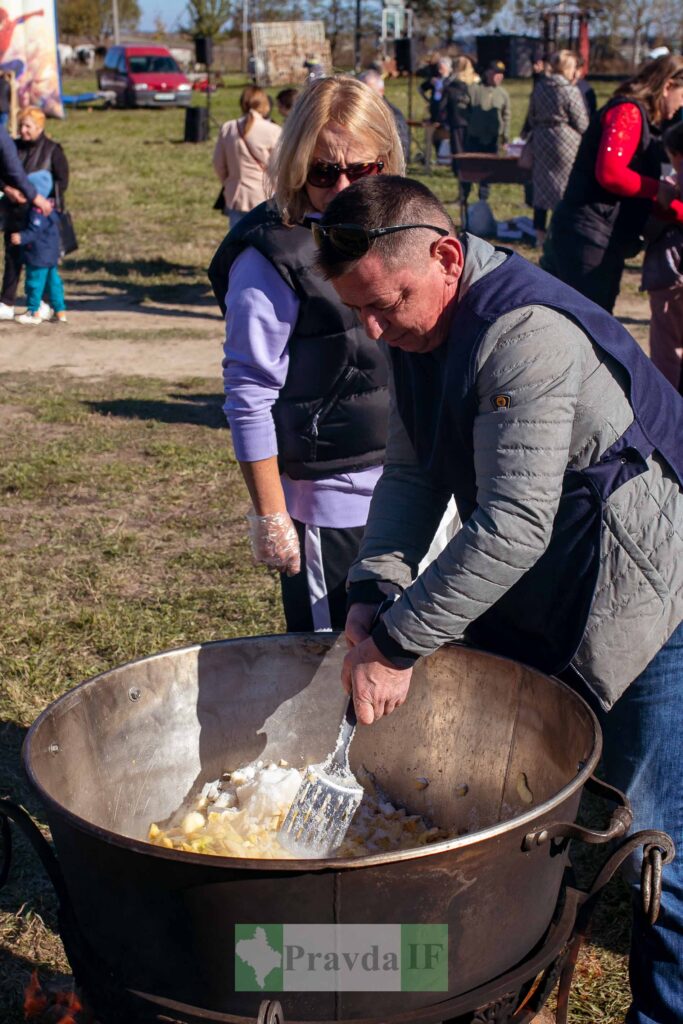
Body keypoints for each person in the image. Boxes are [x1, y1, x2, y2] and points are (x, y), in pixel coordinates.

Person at [315, 173, 683, 1024]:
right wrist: (374, 591)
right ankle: (493, 977)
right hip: (541, 571)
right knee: (520, 794)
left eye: (386, 303)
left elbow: (512, 524)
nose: (372, 328)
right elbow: (410, 472)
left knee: (657, 830)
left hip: (645, 583)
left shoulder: (524, 333)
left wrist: (400, 646)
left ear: (446, 256)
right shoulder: (414, 329)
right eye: (357, 311)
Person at [208, 76, 404, 632]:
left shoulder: (404, 228)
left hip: (416, 492)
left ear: (386, 160)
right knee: (330, 671)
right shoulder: (270, 259)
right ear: (297, 166)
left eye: (361, 169)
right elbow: (248, 395)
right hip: (332, 507)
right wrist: (272, 515)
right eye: (323, 171)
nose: (342, 187)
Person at [542, 54, 683, 312]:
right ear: (667, 86)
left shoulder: (642, 120)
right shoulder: (627, 112)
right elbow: (610, 173)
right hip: (587, 235)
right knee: (586, 322)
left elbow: (633, 189)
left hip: (599, 233)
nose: (679, 107)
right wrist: (657, 188)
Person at [0, 106, 69, 321]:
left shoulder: (52, 150)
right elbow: (4, 172)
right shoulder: (12, 146)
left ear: (40, 127)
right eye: (21, 125)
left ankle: (43, 302)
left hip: (41, 216)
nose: (23, 130)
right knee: (12, 256)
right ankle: (7, 302)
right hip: (15, 210)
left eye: (28, 126)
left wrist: (43, 202)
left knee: (39, 260)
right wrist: (8, 190)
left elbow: (62, 181)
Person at [526, 50, 589, 244]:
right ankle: (561, 231)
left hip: (542, 139)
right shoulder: (569, 90)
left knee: (542, 185)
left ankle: (539, 234)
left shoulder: (540, 87)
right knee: (564, 187)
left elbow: (531, 115)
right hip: (565, 141)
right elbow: (582, 122)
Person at [641, 120, 683, 392]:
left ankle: (666, 406)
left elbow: (651, 225)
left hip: (669, 271)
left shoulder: (670, 184)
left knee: (667, 349)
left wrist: (668, 206)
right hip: (669, 274)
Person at [213, 86, 281, 231]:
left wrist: (229, 181)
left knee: (237, 244)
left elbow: (218, 163)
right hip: (265, 195)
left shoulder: (228, 128)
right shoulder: (273, 130)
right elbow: (281, 168)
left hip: (236, 194)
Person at [10, 169, 66, 325]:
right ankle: (60, 312)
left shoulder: (37, 211)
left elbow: (35, 230)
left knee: (34, 282)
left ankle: (33, 312)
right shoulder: (52, 208)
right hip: (51, 255)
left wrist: (22, 237)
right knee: (54, 283)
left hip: (38, 254)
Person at [462, 60, 511, 202]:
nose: (499, 77)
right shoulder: (474, 89)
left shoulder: (503, 94)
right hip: (474, 137)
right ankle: (464, 196)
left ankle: (483, 198)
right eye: (496, 74)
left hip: (492, 139)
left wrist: (505, 137)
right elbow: (463, 108)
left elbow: (506, 116)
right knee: (469, 167)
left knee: (487, 170)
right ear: (488, 73)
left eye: (501, 74)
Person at [439, 56, 476, 196]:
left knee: (459, 157)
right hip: (473, 125)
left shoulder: (450, 87)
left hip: (456, 124)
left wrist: (441, 120)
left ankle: (463, 191)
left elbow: (442, 108)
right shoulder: (474, 85)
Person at [357, 69, 409, 162]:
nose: (363, 94)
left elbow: (401, 147)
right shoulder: (356, 112)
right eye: (360, 89)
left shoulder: (392, 114)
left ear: (381, 91)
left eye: (369, 90)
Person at [419, 56, 452, 159]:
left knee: (445, 138)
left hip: (446, 115)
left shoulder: (450, 81)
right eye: (439, 67)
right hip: (434, 113)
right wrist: (428, 100)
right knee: (434, 137)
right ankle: (436, 156)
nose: (439, 70)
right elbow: (420, 88)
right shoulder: (435, 80)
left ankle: (445, 158)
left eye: (442, 68)